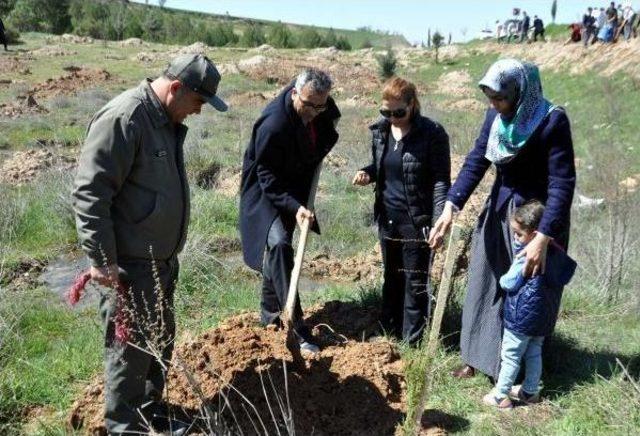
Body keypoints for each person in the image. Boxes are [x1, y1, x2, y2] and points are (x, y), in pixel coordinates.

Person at [73, 54, 228, 434]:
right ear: (176, 88)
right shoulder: (126, 118)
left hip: (160, 264)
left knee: (158, 343)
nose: (199, 112)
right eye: (198, 102)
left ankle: (149, 414)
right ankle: (125, 428)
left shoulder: (164, 119)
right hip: (128, 266)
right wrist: (102, 259)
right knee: (129, 354)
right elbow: (91, 192)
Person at [428, 59, 576, 381]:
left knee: (527, 293)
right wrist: (452, 205)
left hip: (537, 218)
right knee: (485, 281)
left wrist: (542, 237)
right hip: (500, 211)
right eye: (490, 99)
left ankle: (519, 371)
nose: (495, 106)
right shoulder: (494, 117)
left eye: (500, 98)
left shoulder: (551, 122)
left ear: (520, 91)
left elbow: (562, 183)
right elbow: (476, 161)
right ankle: (476, 357)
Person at [239, 68, 340, 353]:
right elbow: (266, 178)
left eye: (320, 105)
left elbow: (329, 119)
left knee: (278, 254)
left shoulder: (319, 105)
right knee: (280, 245)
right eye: (308, 105)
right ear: (294, 93)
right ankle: (297, 327)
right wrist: (295, 207)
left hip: (292, 188)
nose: (314, 111)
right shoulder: (274, 124)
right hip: (264, 194)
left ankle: (269, 316)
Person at [352, 77, 450, 345]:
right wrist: (367, 173)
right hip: (387, 218)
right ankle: (389, 333)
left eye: (398, 112)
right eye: (386, 112)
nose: (393, 118)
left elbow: (441, 180)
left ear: (412, 104)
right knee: (391, 278)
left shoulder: (432, 133)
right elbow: (383, 165)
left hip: (416, 221)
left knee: (415, 284)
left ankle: (412, 343)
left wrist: (441, 217)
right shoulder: (381, 132)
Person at [482, 201, 577, 409]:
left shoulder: (526, 255)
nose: (515, 239)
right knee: (535, 351)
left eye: (518, 234)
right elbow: (566, 272)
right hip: (544, 318)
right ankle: (530, 391)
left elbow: (507, 283)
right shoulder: (556, 251)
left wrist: (509, 273)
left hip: (520, 317)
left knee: (511, 355)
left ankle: (501, 395)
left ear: (534, 235)